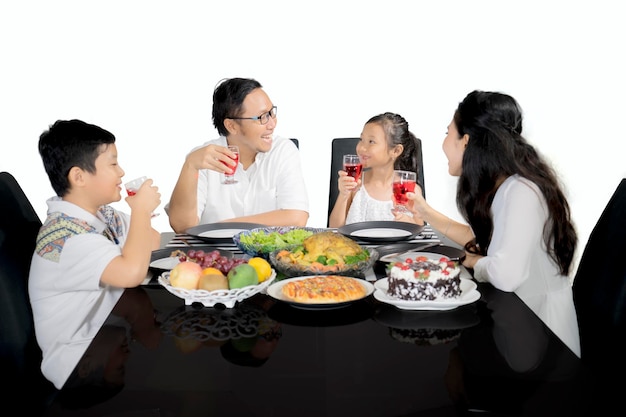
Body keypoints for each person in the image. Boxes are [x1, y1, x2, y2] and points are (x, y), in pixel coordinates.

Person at [403, 90, 580, 357]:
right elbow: (481, 240)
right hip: (520, 328)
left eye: (447, 132)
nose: (443, 143)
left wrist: (471, 261)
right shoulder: (508, 184)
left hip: (542, 346)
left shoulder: (521, 191)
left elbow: (505, 275)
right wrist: (424, 210)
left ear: (466, 141)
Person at [29, 119, 161, 389]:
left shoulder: (100, 214)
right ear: (79, 177)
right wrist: (140, 211)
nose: (121, 172)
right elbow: (132, 273)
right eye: (113, 164)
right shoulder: (67, 238)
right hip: (77, 366)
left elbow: (153, 240)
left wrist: (139, 221)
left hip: (102, 334)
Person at [167, 77, 309, 233]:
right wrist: (189, 167)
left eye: (271, 112)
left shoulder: (282, 150)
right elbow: (182, 226)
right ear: (232, 126)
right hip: (215, 255)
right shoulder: (203, 158)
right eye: (262, 117)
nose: (272, 124)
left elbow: (297, 217)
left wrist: (222, 226)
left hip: (269, 254)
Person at [328, 112, 423, 228]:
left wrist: (409, 223)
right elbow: (334, 229)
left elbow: (421, 234)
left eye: (371, 142)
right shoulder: (355, 185)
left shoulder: (410, 190)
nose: (361, 147)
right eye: (361, 139)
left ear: (396, 151)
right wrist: (343, 194)